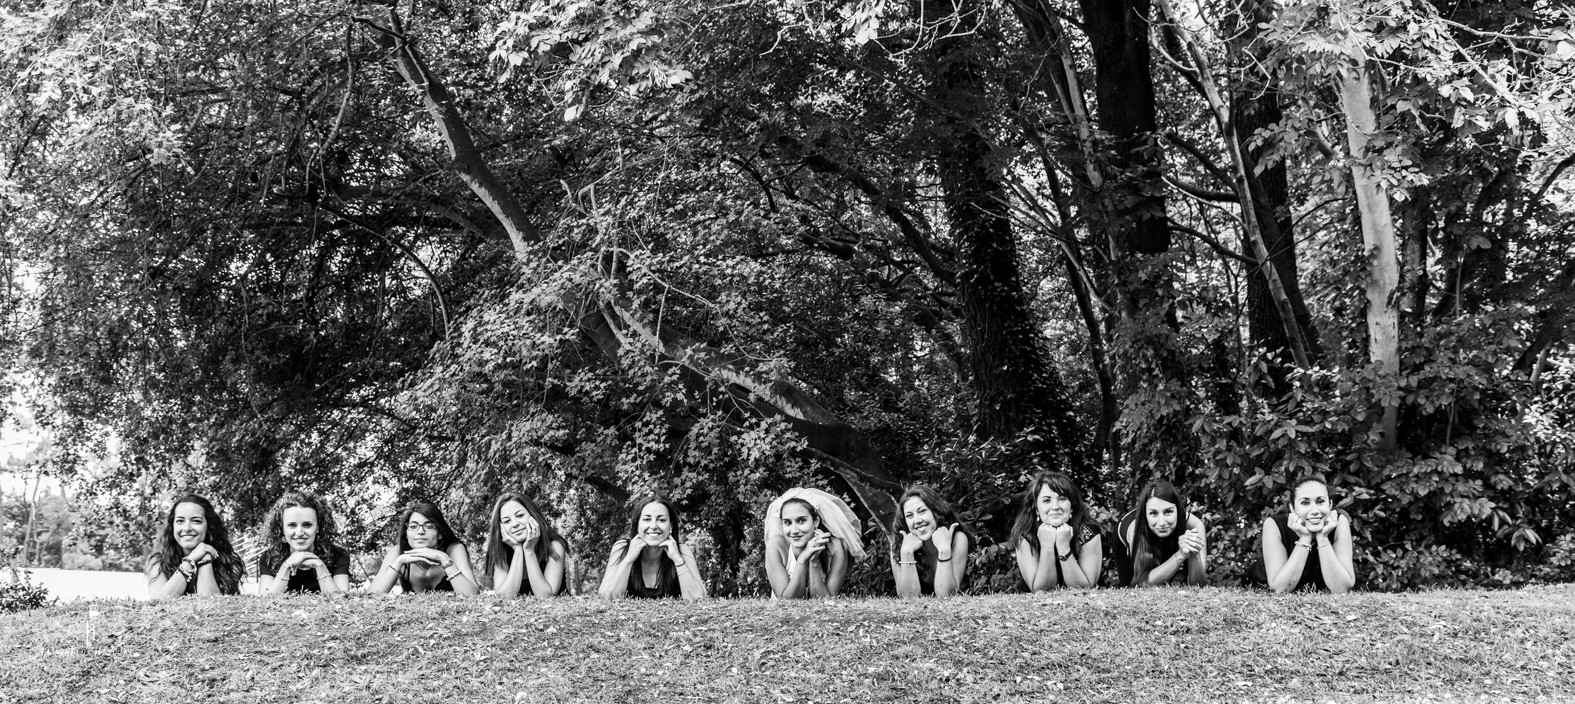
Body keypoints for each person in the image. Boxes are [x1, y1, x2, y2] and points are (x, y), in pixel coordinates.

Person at [1251, 473, 1357, 593]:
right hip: (1264, 593)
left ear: (1330, 505)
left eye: (1320, 501)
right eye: (1305, 503)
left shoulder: (1339, 522)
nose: (1315, 511)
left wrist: (1322, 538)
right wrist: (1305, 538)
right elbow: (1280, 589)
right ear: (1292, 508)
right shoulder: (1274, 524)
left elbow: (1341, 589)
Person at [597, 494, 707, 600]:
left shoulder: (682, 551)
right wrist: (628, 559)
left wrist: (678, 560)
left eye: (661, 520)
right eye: (647, 519)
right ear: (637, 525)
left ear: (671, 526)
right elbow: (607, 597)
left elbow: (697, 597)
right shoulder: (622, 548)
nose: (653, 526)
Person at [763, 488, 865, 599]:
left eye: (801, 520)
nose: (794, 530)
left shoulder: (835, 547)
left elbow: (825, 603)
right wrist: (802, 560)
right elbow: (786, 602)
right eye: (787, 522)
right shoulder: (775, 546)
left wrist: (813, 561)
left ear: (815, 521)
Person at [1010, 471, 1103, 590]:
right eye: (1046, 500)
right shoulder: (1025, 533)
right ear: (1036, 509)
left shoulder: (1088, 532)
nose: (1055, 507)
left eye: (1062, 499)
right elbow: (1041, 590)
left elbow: (1083, 588)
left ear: (1072, 506)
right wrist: (1047, 546)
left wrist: (1063, 546)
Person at [365, 502, 479, 595]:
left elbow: (472, 595)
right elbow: (372, 596)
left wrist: (443, 558)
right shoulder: (397, 552)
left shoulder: (454, 549)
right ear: (406, 533)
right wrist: (399, 562)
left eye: (429, 526)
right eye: (413, 526)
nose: (420, 532)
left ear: (439, 533)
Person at [145, 494, 246, 597]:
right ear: (172, 526)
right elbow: (160, 603)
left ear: (209, 526)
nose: (187, 528)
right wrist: (190, 560)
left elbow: (211, 604)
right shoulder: (157, 563)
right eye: (180, 521)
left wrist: (205, 558)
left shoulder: (229, 563)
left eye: (196, 521)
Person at [256, 491, 351, 595]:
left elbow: (340, 600)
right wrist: (286, 566)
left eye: (307, 525)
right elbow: (265, 600)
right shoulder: (269, 558)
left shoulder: (339, 556)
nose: (299, 533)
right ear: (282, 529)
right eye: (292, 525)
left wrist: (319, 565)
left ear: (318, 527)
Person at [1117, 480, 1207, 587]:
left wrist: (1193, 553)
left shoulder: (1194, 525)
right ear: (1145, 515)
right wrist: (1180, 555)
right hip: (1134, 568)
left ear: (1178, 510)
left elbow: (1198, 585)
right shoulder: (1134, 529)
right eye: (1153, 513)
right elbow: (1141, 584)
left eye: (1168, 512)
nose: (1162, 523)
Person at [890, 485, 973, 597]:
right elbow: (907, 598)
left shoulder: (958, 538)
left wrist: (944, 550)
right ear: (905, 522)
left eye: (922, 511)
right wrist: (907, 553)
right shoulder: (899, 545)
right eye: (910, 516)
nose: (917, 520)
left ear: (936, 512)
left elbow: (946, 596)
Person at [483, 492, 570, 597]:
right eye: (507, 521)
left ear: (533, 515)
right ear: (501, 528)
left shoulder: (555, 545)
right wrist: (518, 550)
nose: (515, 524)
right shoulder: (501, 551)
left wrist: (529, 551)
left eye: (520, 515)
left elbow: (546, 596)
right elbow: (505, 596)